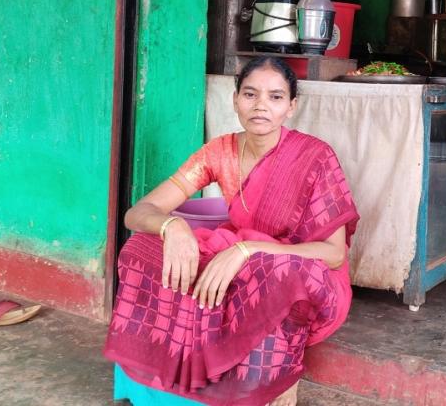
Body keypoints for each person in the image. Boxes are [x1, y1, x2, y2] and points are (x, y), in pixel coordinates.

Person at [104, 56, 359, 406]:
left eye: (275, 97)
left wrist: (248, 250)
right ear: (235, 99)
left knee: (278, 272)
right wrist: (171, 225)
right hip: (239, 257)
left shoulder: (315, 157)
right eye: (250, 94)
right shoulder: (219, 152)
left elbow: (333, 253)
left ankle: (275, 378)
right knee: (140, 248)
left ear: (291, 106)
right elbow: (138, 213)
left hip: (300, 271)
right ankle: (161, 370)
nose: (261, 106)